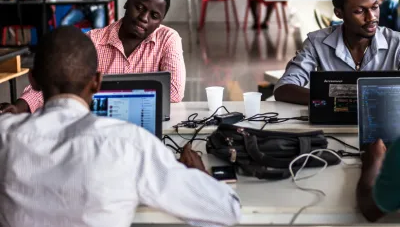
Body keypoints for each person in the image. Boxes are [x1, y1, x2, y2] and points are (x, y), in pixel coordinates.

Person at [0, 26, 241, 227]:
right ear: (97, 82)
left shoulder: (5, 134)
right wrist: (198, 175)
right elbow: (226, 210)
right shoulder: (129, 143)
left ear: (32, 79)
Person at [0, 0, 186, 114]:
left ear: (160, 21)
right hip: (97, 123)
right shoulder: (93, 41)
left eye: (154, 15)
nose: (144, 18)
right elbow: (56, 80)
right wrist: (19, 106)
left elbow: (175, 92)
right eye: (139, 7)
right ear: (126, 3)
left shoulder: (168, 39)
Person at [274, 0, 400, 105]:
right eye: (359, 11)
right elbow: (283, 88)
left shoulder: (396, 43)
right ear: (339, 13)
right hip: (328, 125)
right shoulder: (317, 43)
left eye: (375, 7)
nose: (371, 17)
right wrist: (334, 101)